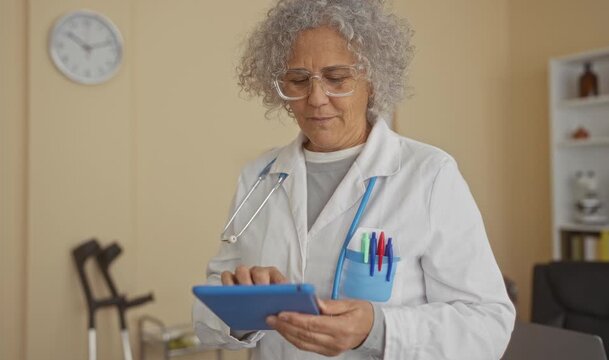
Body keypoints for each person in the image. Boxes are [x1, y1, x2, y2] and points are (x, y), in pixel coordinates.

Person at [192, 0, 516, 358]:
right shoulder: (260, 176)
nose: (316, 98)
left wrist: (377, 330)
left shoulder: (429, 174)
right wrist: (241, 315)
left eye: (337, 78)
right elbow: (208, 311)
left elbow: (487, 325)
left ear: (373, 81)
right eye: (299, 80)